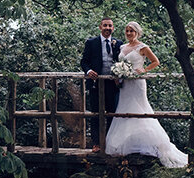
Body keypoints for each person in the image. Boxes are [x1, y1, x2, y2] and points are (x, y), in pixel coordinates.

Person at [104, 22, 188, 168]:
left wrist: (144, 70)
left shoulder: (142, 47)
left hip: (137, 83)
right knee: (124, 109)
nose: (129, 33)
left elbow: (156, 62)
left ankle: (149, 142)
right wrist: (119, 74)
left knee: (140, 109)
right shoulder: (123, 47)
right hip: (125, 85)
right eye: (127, 31)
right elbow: (120, 63)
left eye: (132, 31)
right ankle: (126, 142)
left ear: (137, 32)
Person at [80, 17, 122, 151]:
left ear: (113, 28)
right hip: (95, 83)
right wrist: (89, 70)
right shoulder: (91, 42)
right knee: (95, 113)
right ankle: (96, 143)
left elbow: (122, 63)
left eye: (110, 26)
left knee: (112, 113)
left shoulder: (119, 43)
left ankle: (109, 142)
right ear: (100, 27)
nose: (107, 28)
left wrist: (119, 76)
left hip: (112, 84)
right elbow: (84, 62)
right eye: (105, 25)